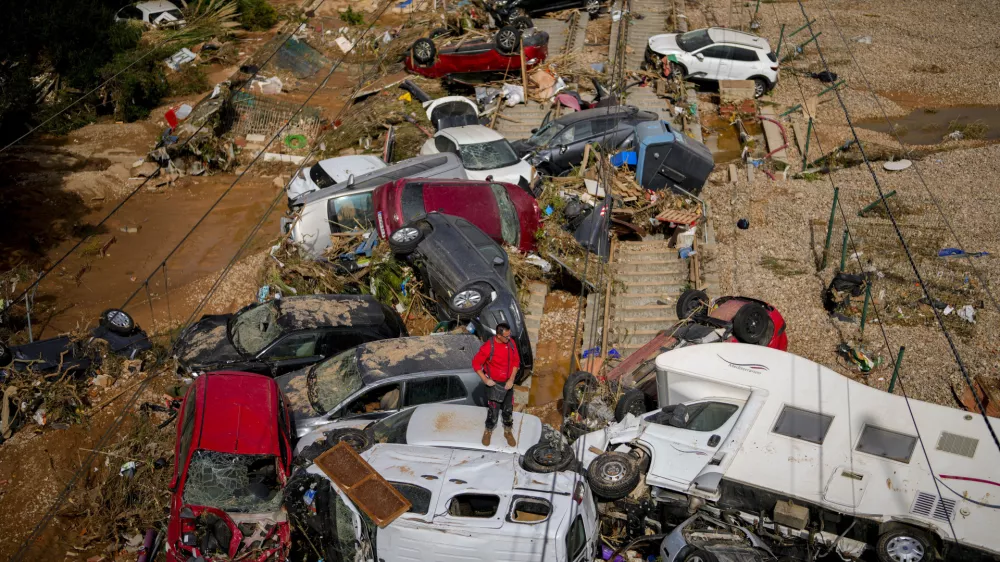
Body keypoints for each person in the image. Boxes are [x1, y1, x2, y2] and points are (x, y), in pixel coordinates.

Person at [472, 323, 520, 447]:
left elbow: (516, 362)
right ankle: (488, 430)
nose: (509, 338)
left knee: (508, 410)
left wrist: (511, 379)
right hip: (494, 385)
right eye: (506, 336)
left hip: (508, 383)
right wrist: (485, 380)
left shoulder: (511, 343)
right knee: (493, 411)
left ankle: (508, 431)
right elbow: (476, 364)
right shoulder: (488, 347)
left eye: (509, 335)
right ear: (498, 336)